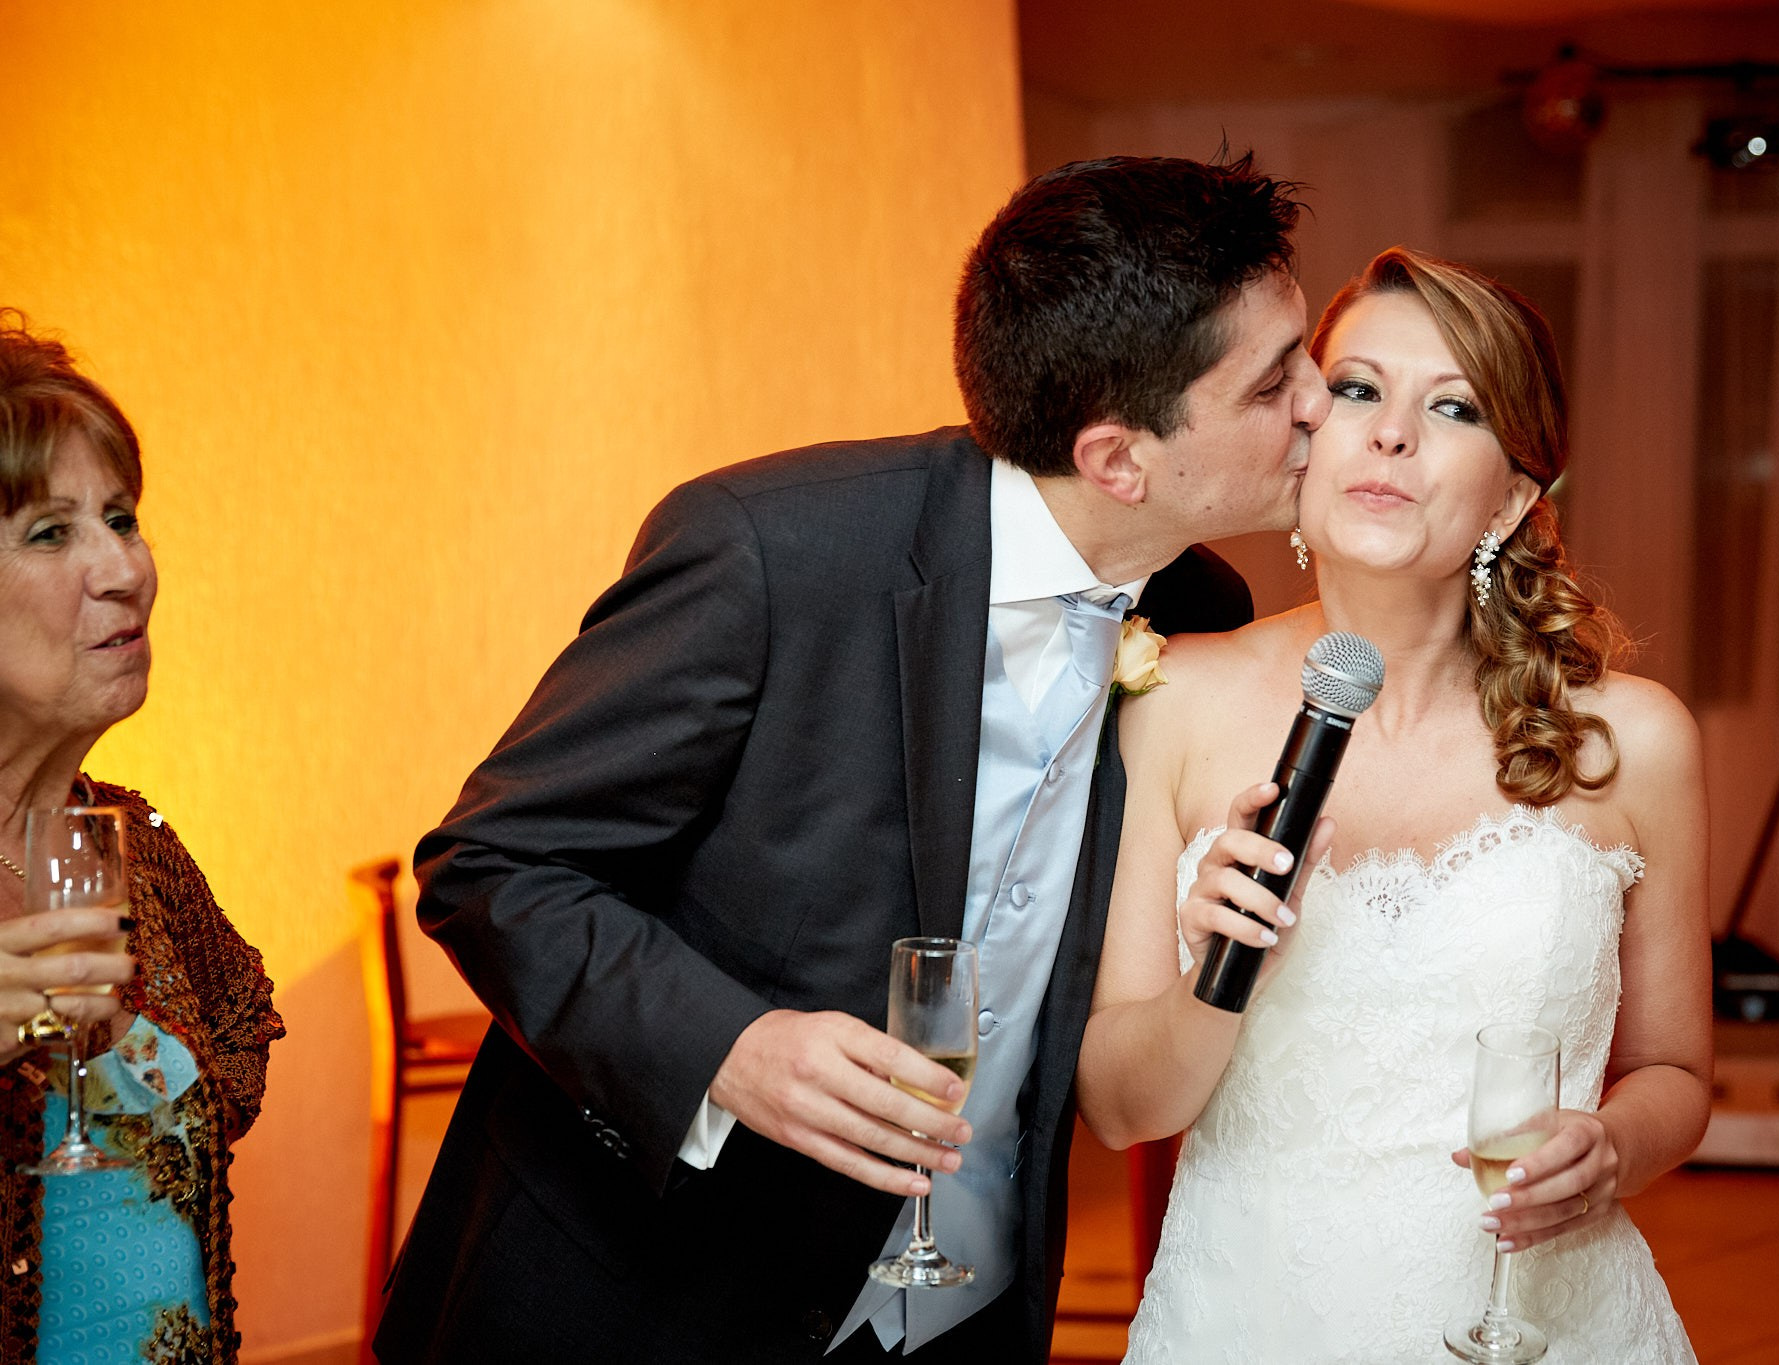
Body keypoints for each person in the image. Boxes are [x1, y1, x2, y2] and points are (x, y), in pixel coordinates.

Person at [373, 153, 1333, 1364]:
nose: (1318, 399)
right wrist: (729, 1050)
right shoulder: (777, 553)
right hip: (641, 1298)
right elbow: (496, 865)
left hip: (962, 1310)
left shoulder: (1196, 606)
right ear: (1114, 460)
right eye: (1271, 383)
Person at [1077, 247, 1710, 1363]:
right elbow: (1125, 1109)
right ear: (1303, 434)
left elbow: (1676, 1073)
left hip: (1541, 1325)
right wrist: (1216, 974)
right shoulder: (1167, 698)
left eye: (1452, 407)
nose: (1390, 435)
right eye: (1357, 390)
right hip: (1250, 1316)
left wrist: (1610, 1146)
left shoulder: (1633, 740)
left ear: (1514, 493)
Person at [0, 311, 285, 1365]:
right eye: (51, 532)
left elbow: (238, 1054)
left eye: (121, 517)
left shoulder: (134, 844)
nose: (124, 569)